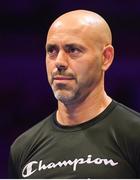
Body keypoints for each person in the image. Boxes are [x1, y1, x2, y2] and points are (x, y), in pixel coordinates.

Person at [8, 9, 140, 178]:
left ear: (106, 58)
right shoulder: (23, 148)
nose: (59, 62)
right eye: (52, 51)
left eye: (73, 50)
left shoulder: (134, 135)